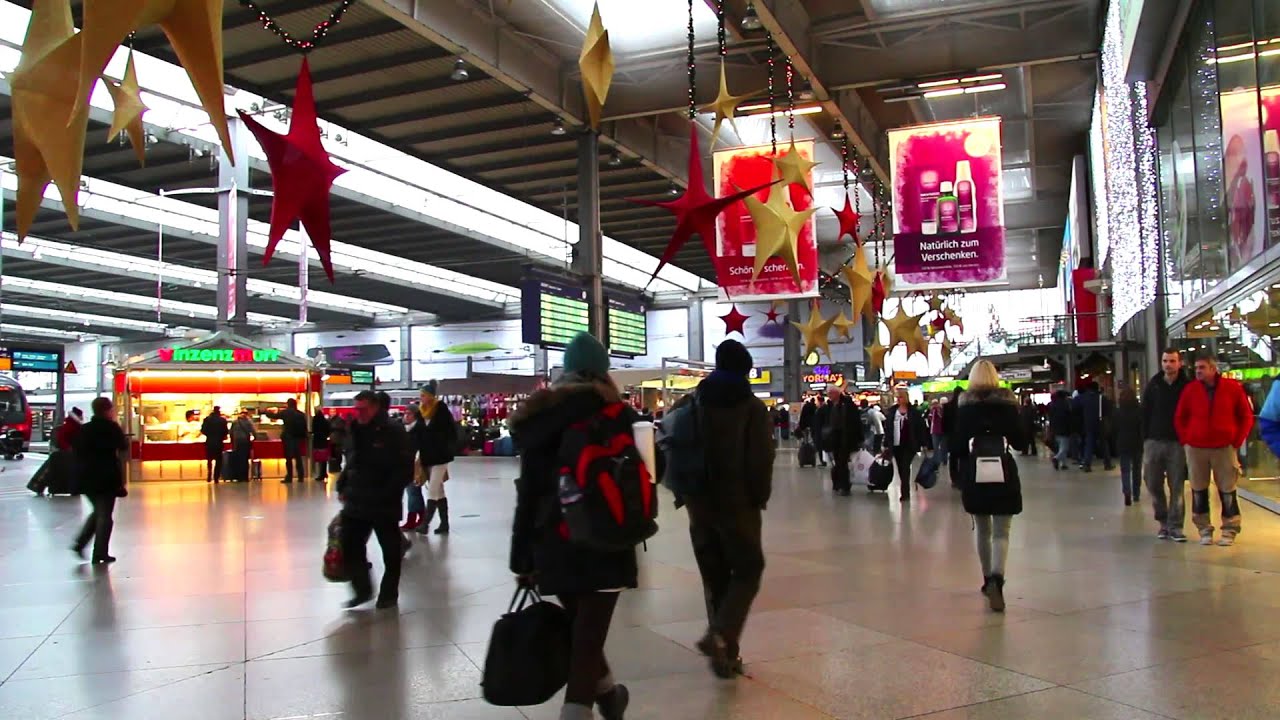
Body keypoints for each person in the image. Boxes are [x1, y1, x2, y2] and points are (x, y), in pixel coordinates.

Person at [509, 333, 634, 720]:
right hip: (607, 541)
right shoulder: (619, 415)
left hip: (553, 543)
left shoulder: (538, 420)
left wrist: (522, 558)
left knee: (584, 633)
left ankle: (610, 695)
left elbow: (528, 494)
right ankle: (579, 711)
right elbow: (647, 475)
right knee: (587, 639)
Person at [676, 340, 774, 679]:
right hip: (736, 505)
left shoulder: (693, 401)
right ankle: (720, 636)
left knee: (715, 578)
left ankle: (726, 657)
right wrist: (760, 497)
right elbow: (760, 459)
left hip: (698, 505)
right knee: (748, 569)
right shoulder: (750, 407)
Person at [949, 361, 1028, 612]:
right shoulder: (1007, 406)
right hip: (1003, 471)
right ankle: (997, 578)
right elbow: (1020, 442)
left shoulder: (965, 408)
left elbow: (957, 446)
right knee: (1002, 530)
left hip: (976, 473)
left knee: (982, 528)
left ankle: (986, 581)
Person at [339, 390, 411, 609]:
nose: (358, 413)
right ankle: (362, 589)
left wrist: (389, 491)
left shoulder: (393, 431)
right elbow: (351, 460)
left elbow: (404, 468)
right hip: (356, 499)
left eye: (362, 409)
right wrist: (342, 484)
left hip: (383, 501)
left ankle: (389, 593)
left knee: (390, 549)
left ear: (375, 407)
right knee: (350, 544)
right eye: (356, 409)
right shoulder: (355, 429)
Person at [1174, 354, 1254, 546]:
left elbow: (1246, 416)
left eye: (1202, 367)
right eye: (1196, 368)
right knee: (1198, 489)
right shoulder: (1190, 390)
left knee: (1227, 490)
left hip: (1224, 447)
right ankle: (1204, 528)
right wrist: (1186, 439)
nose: (1198, 371)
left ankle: (1230, 529)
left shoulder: (1232, 388)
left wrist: (1236, 441)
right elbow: (1180, 417)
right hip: (1196, 448)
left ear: (1213, 368)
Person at [71, 397, 128, 565]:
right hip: (106, 477)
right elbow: (123, 446)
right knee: (105, 516)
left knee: (98, 512)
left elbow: (77, 449)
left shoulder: (84, 429)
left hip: (86, 477)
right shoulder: (111, 428)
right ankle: (99, 553)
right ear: (107, 410)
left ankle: (80, 544)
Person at [1143, 349, 1190, 541]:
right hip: (1154, 441)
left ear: (1179, 363)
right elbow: (1145, 412)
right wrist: (1145, 438)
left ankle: (1175, 526)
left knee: (1176, 485)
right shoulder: (1154, 385)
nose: (1168, 364)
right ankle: (1162, 521)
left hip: (1177, 443)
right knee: (1153, 483)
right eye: (1165, 361)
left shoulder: (1187, 386)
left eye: (1172, 361)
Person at [412, 381, 458, 536]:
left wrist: (445, 444)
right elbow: (418, 433)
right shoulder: (421, 412)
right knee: (438, 490)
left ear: (431, 396)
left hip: (440, 456)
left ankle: (425, 524)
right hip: (427, 456)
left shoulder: (441, 409)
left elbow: (451, 430)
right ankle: (444, 524)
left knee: (432, 489)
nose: (421, 398)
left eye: (423, 395)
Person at [818, 385, 863, 496]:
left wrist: (859, 437)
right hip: (833, 439)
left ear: (836, 393)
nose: (829, 396)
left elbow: (855, 421)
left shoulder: (847, 404)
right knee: (837, 462)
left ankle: (844, 486)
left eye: (830, 393)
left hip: (845, 438)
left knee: (842, 462)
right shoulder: (828, 406)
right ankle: (838, 483)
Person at [883, 390, 928, 502]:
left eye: (901, 397)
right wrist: (886, 444)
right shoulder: (892, 412)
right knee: (900, 468)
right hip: (896, 445)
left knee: (905, 467)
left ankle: (905, 492)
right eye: (897, 397)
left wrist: (924, 443)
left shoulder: (913, 412)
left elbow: (920, 428)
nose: (898, 399)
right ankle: (905, 489)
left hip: (909, 444)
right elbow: (888, 428)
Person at [1113, 384, 1144, 507]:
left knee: (1125, 470)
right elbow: (1143, 427)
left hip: (1123, 442)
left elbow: (1114, 428)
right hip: (1137, 443)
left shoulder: (1118, 412)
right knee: (1137, 470)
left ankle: (1127, 492)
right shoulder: (1139, 410)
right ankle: (1136, 494)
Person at [279, 398, 308, 484]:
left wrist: (266, 412)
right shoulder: (300, 414)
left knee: (289, 458)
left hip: (288, 438)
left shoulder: (285, 412)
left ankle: (289, 476)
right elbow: (304, 426)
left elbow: (274, 416)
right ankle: (301, 476)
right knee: (298, 458)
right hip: (298, 438)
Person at [200, 406, 229, 483]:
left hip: (209, 442)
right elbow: (226, 432)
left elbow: (203, 430)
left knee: (209, 459)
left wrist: (209, 434)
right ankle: (216, 477)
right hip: (219, 442)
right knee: (219, 460)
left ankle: (209, 475)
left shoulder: (207, 419)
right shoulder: (222, 420)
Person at [1047, 389, 1072, 470]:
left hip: (1055, 428)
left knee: (1060, 447)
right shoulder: (1065, 404)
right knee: (1064, 448)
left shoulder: (1052, 405)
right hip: (1064, 428)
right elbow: (1068, 417)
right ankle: (1056, 458)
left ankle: (1063, 464)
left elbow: (1050, 417)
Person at [229, 410, 256, 482]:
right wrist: (254, 438)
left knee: (238, 459)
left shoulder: (235, 422)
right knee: (245, 459)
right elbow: (253, 431)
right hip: (245, 442)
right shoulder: (248, 421)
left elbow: (231, 432)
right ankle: (245, 477)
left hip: (237, 442)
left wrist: (232, 442)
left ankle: (239, 477)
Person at [311, 407, 331, 482]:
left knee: (319, 458)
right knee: (324, 458)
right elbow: (328, 430)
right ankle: (324, 472)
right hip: (324, 441)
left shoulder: (315, 420)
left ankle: (321, 474)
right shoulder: (325, 421)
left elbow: (313, 430)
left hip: (317, 441)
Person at [811, 394, 828, 466]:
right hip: (823, 430)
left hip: (821, 431)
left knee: (821, 447)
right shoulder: (825, 408)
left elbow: (818, 421)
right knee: (822, 447)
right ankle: (823, 460)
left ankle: (823, 461)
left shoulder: (821, 409)